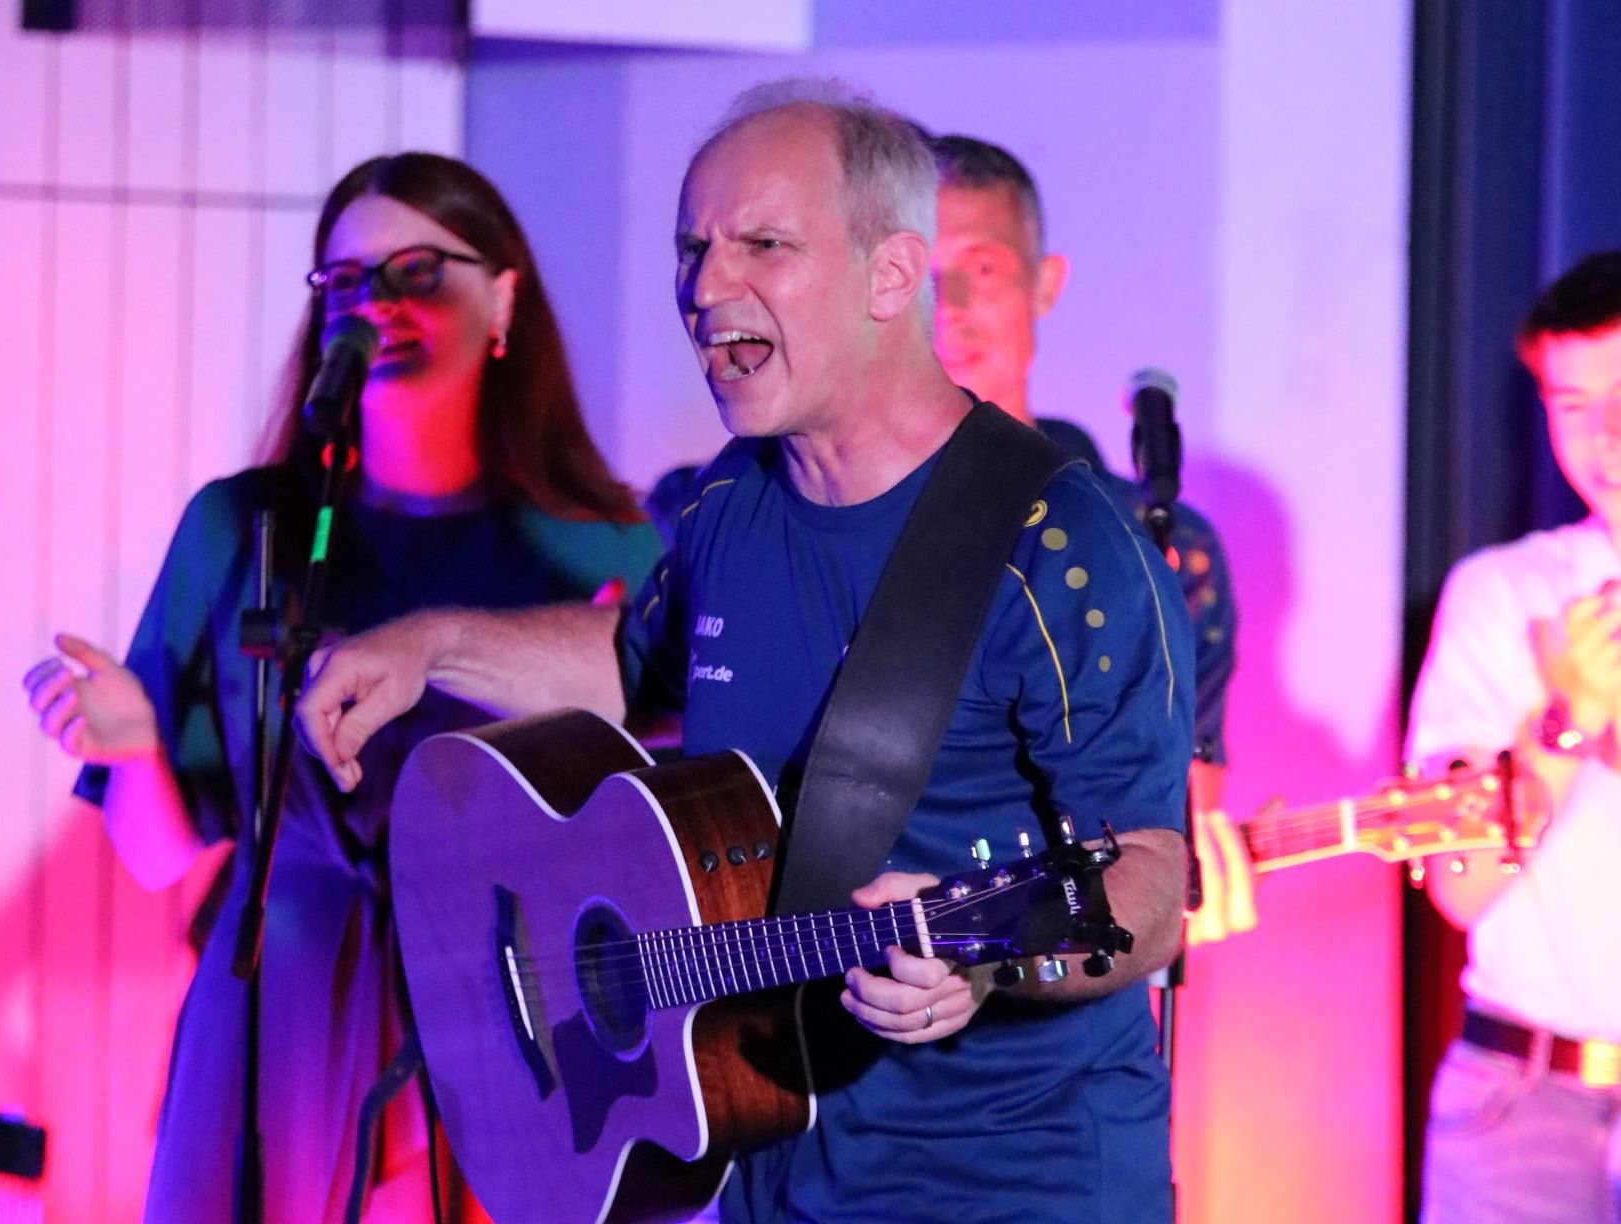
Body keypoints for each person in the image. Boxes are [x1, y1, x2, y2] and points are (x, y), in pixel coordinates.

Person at [298, 83, 1194, 1223]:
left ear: (889, 275)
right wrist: (433, 645)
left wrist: (987, 951)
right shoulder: (734, 496)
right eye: (693, 249)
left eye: (763, 244)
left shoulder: (1061, 546)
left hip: (1017, 1186)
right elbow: (636, 663)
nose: (706, 287)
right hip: (767, 1163)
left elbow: (1153, 877)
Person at [22, 152, 661, 1223]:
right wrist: (132, 749)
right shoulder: (244, 530)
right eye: (348, 282)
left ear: (504, 298)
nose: (379, 306)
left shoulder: (605, 550)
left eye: (419, 272)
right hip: (277, 1007)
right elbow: (162, 855)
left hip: (510, 1014)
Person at [927, 132, 1252, 945]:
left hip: (1055, 982)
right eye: (920, 272)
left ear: (1045, 283)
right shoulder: (810, 504)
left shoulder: (1152, 544)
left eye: (983, 269)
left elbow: (1171, 816)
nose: (949, 304)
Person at [1407, 250, 1621, 1222]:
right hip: (1523, 1102)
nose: (1604, 439)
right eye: (1572, 406)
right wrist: (1567, 720)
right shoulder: (1505, 595)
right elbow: (1458, 887)